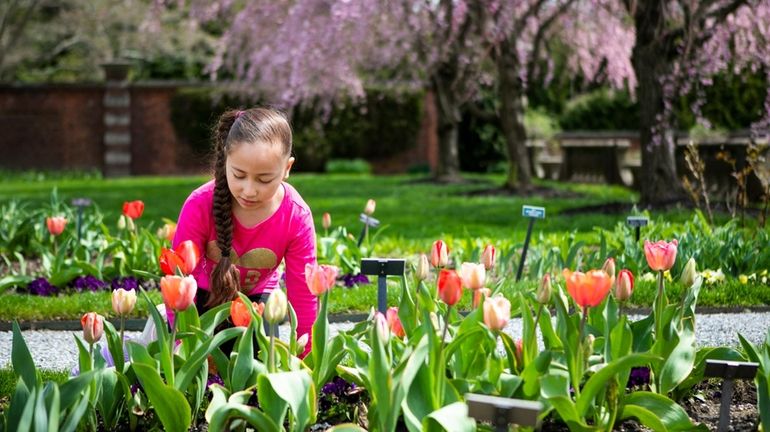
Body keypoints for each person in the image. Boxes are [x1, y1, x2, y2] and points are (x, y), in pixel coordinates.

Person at [172, 107, 317, 355]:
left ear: (287, 168)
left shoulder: (295, 216)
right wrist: (179, 345)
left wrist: (307, 357)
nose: (249, 191)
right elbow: (179, 278)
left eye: (263, 179)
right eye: (239, 175)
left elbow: (303, 292)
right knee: (204, 359)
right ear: (225, 160)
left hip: (256, 300)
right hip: (203, 299)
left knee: (256, 360)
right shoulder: (200, 204)